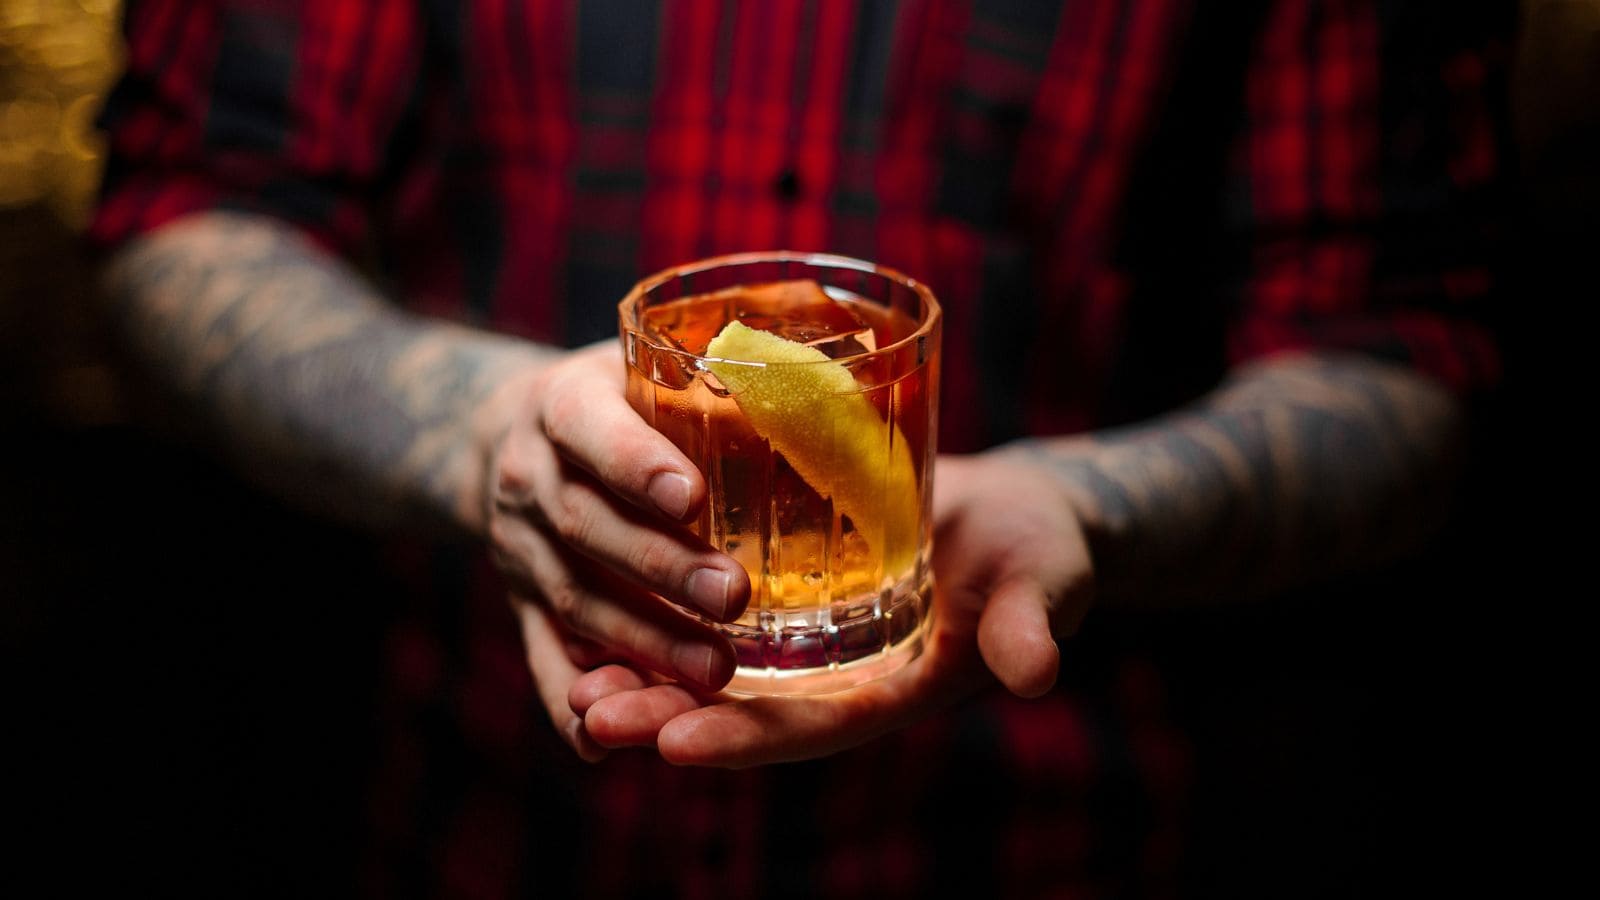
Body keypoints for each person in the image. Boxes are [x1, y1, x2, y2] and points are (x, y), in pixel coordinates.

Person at [92, 0, 1512, 894]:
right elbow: (185, 219)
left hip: (1040, 824)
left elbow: (1400, 363)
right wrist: (473, 429)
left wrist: (1092, 505)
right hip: (489, 815)